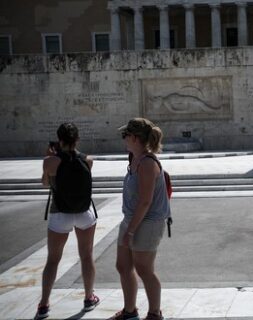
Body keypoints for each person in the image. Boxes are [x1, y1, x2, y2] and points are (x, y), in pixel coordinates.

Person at [35, 123, 100, 320]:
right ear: (77, 139)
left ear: (59, 140)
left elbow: (45, 183)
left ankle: (44, 304)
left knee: (53, 260)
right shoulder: (88, 160)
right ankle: (89, 298)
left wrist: (50, 157)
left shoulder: (49, 162)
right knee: (87, 256)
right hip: (84, 213)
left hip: (59, 213)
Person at [109, 118, 170, 320]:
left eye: (125, 135)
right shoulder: (133, 158)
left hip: (148, 222)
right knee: (123, 266)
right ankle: (129, 310)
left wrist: (131, 231)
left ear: (135, 138)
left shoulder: (147, 163)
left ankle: (154, 313)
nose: (123, 139)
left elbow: (145, 201)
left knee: (144, 269)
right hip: (131, 218)